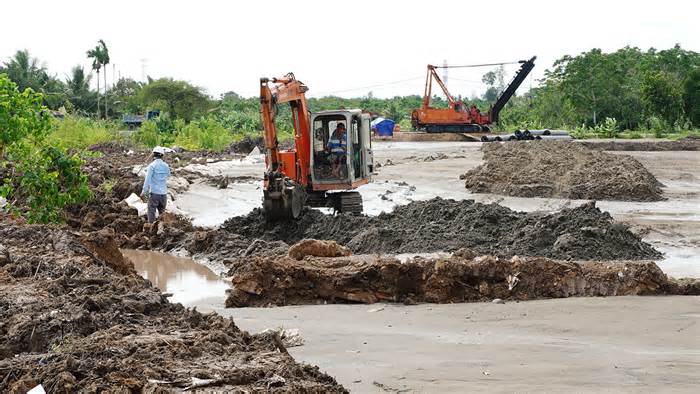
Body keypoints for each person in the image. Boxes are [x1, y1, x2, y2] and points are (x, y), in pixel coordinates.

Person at [141, 146, 171, 223]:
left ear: (153, 155)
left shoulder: (152, 166)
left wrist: (144, 191)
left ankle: (151, 228)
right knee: (162, 213)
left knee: (151, 211)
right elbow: (168, 175)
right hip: (164, 194)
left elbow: (147, 180)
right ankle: (163, 229)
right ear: (162, 155)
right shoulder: (166, 165)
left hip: (154, 193)